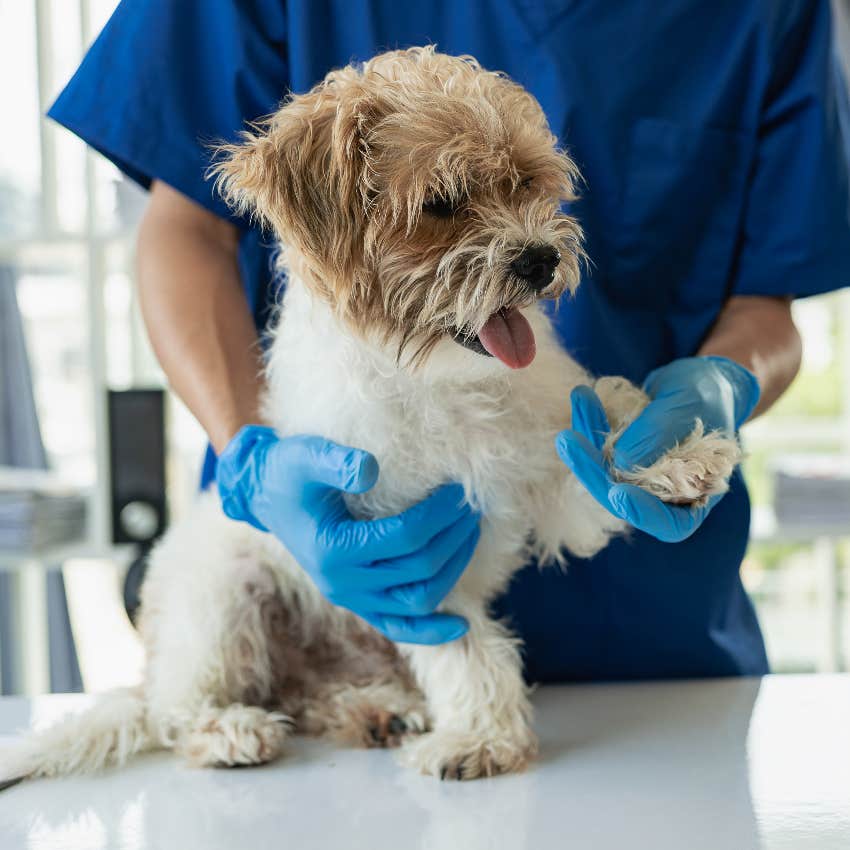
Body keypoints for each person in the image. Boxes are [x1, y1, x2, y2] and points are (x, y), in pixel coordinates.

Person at [49, 1, 850, 681]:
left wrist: (721, 383)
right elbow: (185, 230)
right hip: (345, 597)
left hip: (648, 626)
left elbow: (767, 305)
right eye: (442, 204)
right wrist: (249, 458)